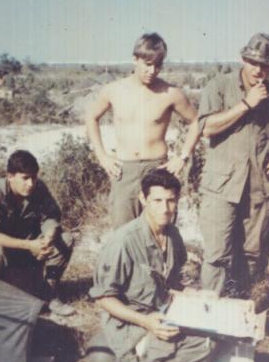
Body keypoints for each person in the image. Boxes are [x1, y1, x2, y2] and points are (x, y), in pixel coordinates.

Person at [89, 169, 217, 362]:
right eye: (157, 201)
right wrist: (146, 322)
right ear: (143, 199)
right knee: (203, 344)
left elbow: (172, 283)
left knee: (215, 332)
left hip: (162, 312)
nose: (165, 208)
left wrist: (196, 295)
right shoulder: (123, 242)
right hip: (130, 325)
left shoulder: (173, 235)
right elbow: (103, 298)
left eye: (171, 201)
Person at [198, 33, 269, 296]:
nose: (258, 71)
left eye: (265, 65)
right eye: (253, 63)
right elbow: (206, 128)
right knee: (217, 254)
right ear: (243, 59)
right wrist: (246, 104)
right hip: (222, 187)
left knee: (251, 255)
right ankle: (210, 319)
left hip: (258, 189)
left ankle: (237, 314)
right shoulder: (219, 86)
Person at [85, 33, 199, 228]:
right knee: (123, 232)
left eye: (157, 65)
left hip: (158, 168)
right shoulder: (114, 90)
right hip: (124, 170)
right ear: (135, 59)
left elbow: (197, 121)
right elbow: (91, 117)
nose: (152, 71)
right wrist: (102, 156)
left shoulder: (171, 93)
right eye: (147, 64)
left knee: (160, 230)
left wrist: (182, 157)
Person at [0, 150, 75, 316]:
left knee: (65, 240)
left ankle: (47, 291)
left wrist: (47, 238)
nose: (31, 183)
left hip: (24, 247)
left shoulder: (38, 188)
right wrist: (29, 245)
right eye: (25, 178)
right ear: (10, 176)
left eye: (33, 177)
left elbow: (51, 216)